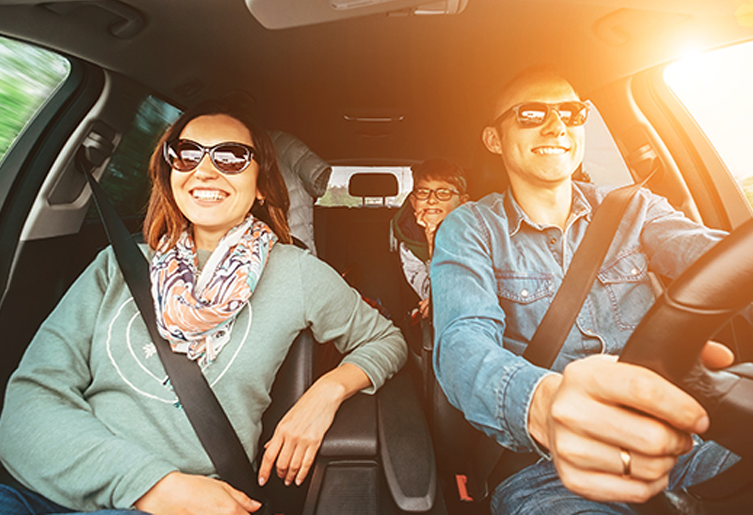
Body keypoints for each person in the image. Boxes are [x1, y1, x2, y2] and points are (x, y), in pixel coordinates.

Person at [0, 100, 407, 514]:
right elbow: (29, 404)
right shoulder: (117, 265)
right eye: (187, 154)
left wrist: (326, 393)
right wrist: (152, 486)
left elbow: (386, 339)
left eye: (231, 157)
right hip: (58, 487)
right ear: (171, 172)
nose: (205, 170)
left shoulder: (297, 272)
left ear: (262, 183)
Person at [430, 67, 740, 514]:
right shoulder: (472, 228)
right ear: (494, 140)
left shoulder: (635, 208)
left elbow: (716, 260)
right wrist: (545, 404)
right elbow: (462, 342)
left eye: (573, 113)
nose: (556, 126)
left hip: (678, 440)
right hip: (547, 470)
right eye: (531, 114)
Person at [391, 158, 468, 319]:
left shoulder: (476, 234)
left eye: (444, 193)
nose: (432, 200)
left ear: (463, 202)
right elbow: (429, 292)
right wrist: (432, 239)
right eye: (423, 192)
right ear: (413, 202)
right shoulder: (409, 244)